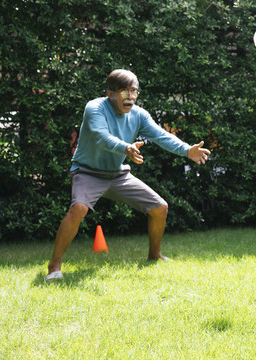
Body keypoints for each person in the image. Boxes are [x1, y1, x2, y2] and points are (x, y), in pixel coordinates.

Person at [46, 69, 210, 281]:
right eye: (125, 91)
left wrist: (187, 150)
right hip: (87, 172)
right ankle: (54, 267)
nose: (131, 96)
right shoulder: (95, 108)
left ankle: (154, 256)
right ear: (111, 93)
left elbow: (161, 136)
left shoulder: (139, 115)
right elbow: (100, 136)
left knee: (160, 208)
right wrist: (126, 148)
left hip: (117, 175)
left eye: (134, 91)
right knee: (78, 209)